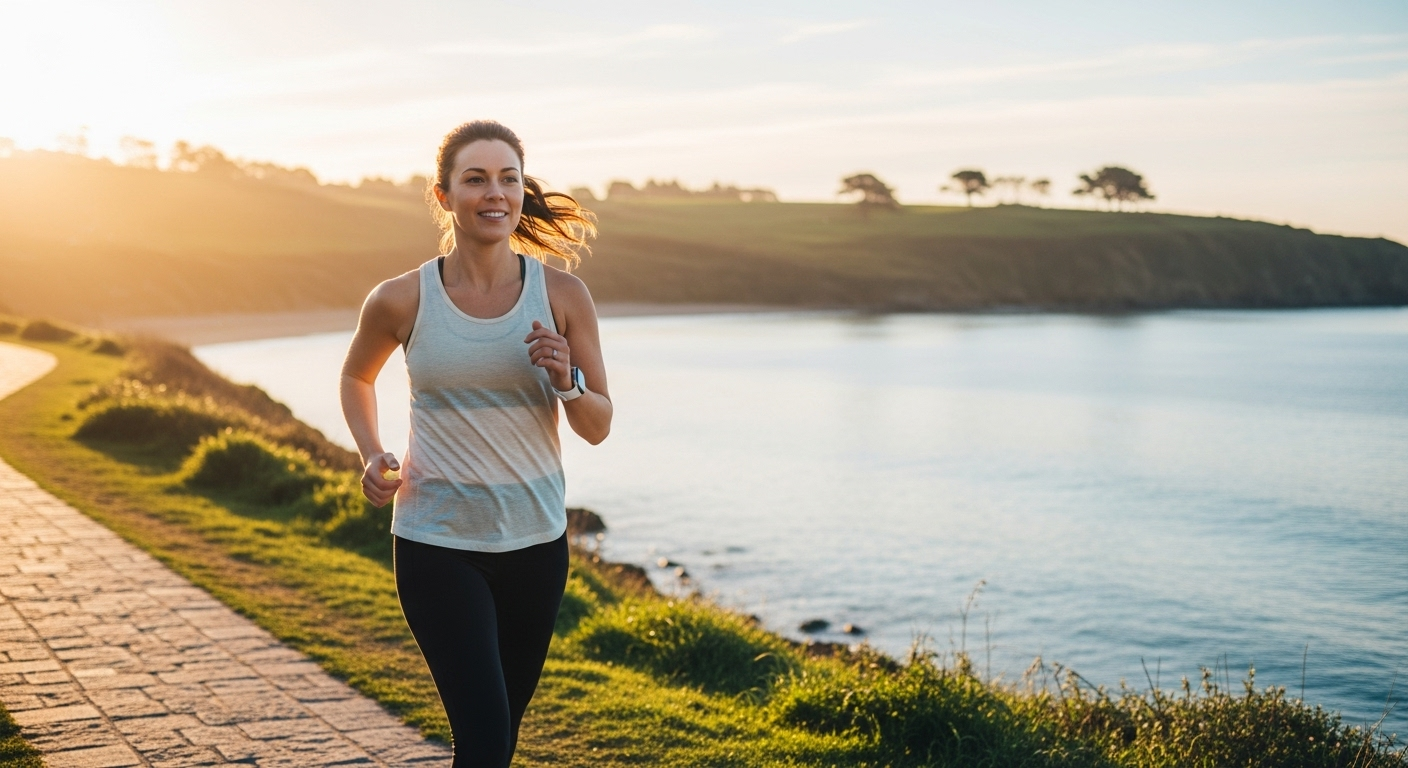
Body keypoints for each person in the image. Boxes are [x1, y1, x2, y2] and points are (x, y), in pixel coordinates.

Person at [340, 120, 611, 767]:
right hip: (437, 544)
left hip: (535, 547)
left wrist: (566, 379)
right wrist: (370, 453)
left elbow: (597, 424)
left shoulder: (564, 296)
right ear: (444, 196)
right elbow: (356, 375)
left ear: (522, 191)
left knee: (494, 740)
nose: (496, 192)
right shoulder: (402, 298)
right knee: (487, 743)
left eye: (508, 178)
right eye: (476, 178)